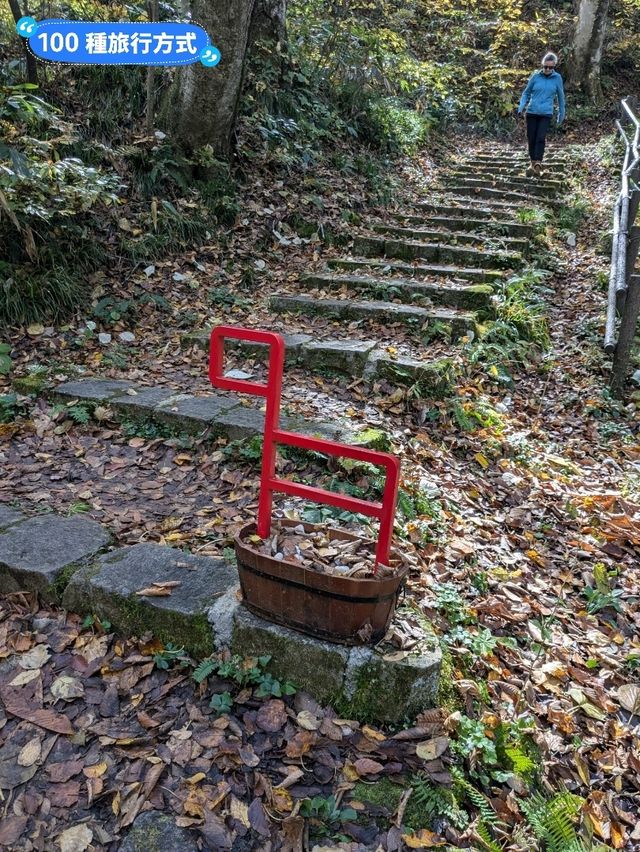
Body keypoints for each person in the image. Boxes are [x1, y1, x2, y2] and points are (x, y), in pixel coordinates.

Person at [517, 52, 566, 176]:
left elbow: (560, 97)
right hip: (532, 111)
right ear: (542, 65)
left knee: (540, 137)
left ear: (554, 66)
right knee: (531, 138)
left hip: (546, 113)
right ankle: (532, 162)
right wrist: (522, 106)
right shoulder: (535, 77)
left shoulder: (557, 78)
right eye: (545, 67)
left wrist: (562, 113)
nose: (547, 69)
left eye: (551, 67)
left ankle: (538, 161)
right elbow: (526, 93)